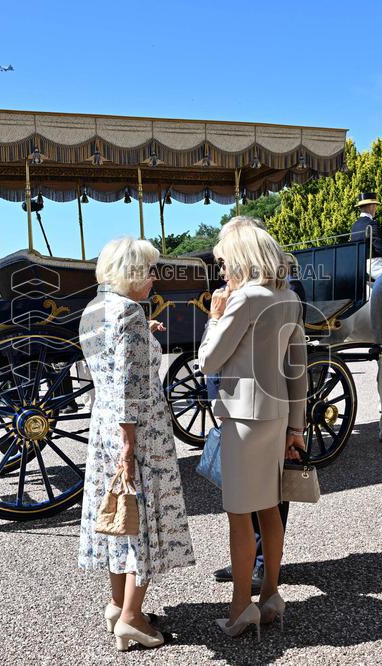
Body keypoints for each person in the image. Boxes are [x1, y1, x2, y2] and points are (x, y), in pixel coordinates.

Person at [78, 236, 194, 652]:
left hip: (104, 423)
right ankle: (131, 618)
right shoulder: (128, 313)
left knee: (119, 517)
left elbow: (107, 364)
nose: (153, 277)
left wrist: (148, 335)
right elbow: (130, 382)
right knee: (142, 521)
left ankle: (117, 605)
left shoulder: (95, 309)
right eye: (148, 270)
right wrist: (130, 445)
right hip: (138, 429)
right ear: (130, 272)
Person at [197, 218, 308, 639]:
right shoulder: (290, 299)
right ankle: (271, 596)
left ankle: (241, 607)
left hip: (242, 418)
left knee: (240, 517)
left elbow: (209, 360)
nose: (221, 271)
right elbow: (298, 369)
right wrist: (296, 427)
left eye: (224, 262)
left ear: (242, 257)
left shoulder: (243, 300)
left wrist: (215, 314)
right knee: (268, 509)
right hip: (277, 415)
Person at [350, 192, 382, 280]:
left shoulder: (355, 225)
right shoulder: (372, 224)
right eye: (375, 206)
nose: (375, 208)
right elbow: (379, 246)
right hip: (374, 265)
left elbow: (368, 243)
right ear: (371, 206)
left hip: (359, 265)